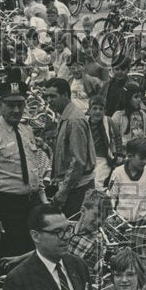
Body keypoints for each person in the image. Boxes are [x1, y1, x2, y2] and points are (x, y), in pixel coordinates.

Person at [0, 77, 41, 263]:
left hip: (31, 205)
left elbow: (34, 168)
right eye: (11, 105)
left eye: (20, 105)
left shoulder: (26, 130)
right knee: (8, 258)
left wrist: (42, 201)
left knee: (33, 258)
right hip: (8, 207)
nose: (16, 110)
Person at [45, 77, 98, 217]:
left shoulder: (74, 120)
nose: (49, 100)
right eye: (47, 96)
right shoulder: (65, 116)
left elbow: (78, 161)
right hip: (73, 185)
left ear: (65, 95)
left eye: (53, 96)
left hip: (78, 188)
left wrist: (63, 192)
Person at [108, 136, 146, 224]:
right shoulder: (118, 173)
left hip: (143, 222)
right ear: (130, 156)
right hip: (122, 222)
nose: (145, 161)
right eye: (141, 158)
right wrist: (112, 215)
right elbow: (112, 197)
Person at [88, 94, 123, 190]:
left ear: (105, 111)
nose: (97, 111)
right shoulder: (86, 123)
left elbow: (117, 137)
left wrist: (119, 154)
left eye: (101, 109)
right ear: (89, 110)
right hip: (88, 158)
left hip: (103, 157)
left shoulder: (108, 121)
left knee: (98, 182)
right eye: (94, 109)